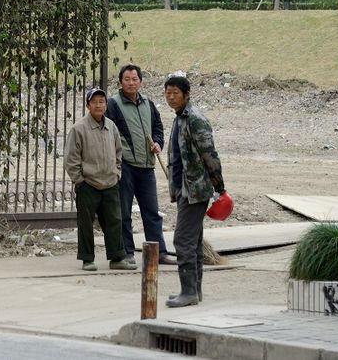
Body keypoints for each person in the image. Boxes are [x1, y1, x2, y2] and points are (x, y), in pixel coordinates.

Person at [163, 74, 226, 307]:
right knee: (195, 240)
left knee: (183, 239)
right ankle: (194, 291)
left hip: (195, 190)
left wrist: (220, 187)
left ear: (186, 95)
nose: (171, 97)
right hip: (184, 188)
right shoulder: (180, 118)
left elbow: (210, 155)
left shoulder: (195, 119)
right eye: (168, 93)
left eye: (175, 93)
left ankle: (188, 291)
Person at [106, 65, 178, 267]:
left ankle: (159, 253)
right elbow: (109, 133)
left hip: (147, 166)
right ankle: (126, 253)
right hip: (126, 166)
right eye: (127, 79)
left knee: (152, 212)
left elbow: (157, 127)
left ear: (140, 81)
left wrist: (157, 143)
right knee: (124, 212)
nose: (131, 83)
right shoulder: (114, 104)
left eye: (134, 79)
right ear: (121, 81)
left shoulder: (148, 103)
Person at [64, 87, 137, 272]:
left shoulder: (111, 126)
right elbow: (71, 159)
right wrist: (79, 180)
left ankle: (117, 258)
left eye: (102, 102)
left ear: (106, 105)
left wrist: (117, 173)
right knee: (86, 224)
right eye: (95, 102)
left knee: (114, 221)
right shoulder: (78, 128)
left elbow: (119, 152)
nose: (99, 105)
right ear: (88, 105)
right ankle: (87, 259)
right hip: (88, 184)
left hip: (110, 183)